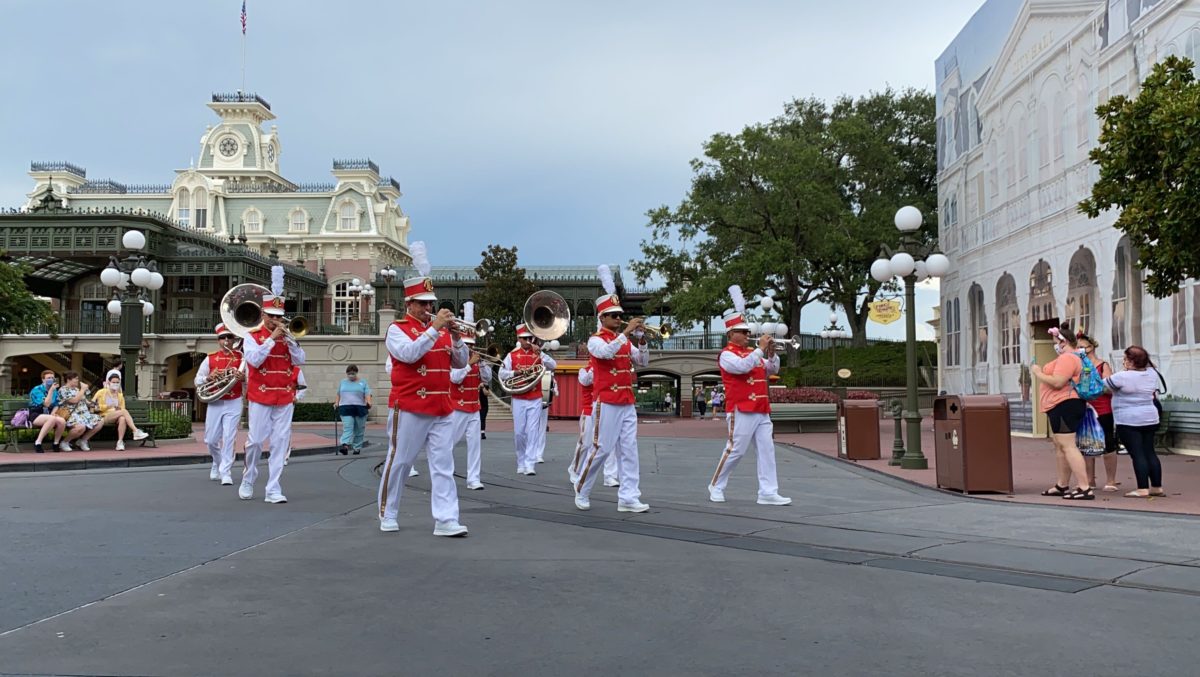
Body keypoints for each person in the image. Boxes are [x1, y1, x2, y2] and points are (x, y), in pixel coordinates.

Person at [377, 243, 470, 536]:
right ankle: (388, 511)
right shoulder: (397, 329)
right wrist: (435, 329)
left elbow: (460, 363)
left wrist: (456, 339)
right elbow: (409, 355)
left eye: (430, 303)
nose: (428, 308)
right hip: (409, 407)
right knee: (401, 461)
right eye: (422, 303)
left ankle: (446, 519)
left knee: (443, 465)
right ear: (410, 304)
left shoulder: (441, 332)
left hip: (442, 408)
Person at [574, 264, 650, 512]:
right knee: (601, 449)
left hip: (627, 401)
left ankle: (628, 497)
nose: (619, 319)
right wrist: (626, 333)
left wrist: (641, 340)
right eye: (614, 316)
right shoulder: (595, 339)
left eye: (620, 315)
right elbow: (605, 354)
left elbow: (642, 361)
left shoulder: (624, 341)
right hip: (606, 401)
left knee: (629, 451)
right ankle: (582, 489)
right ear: (602, 318)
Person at [707, 287, 792, 506]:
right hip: (741, 408)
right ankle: (716, 485)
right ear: (730, 334)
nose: (747, 335)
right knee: (735, 450)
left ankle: (768, 491)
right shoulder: (727, 355)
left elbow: (771, 369)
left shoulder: (752, 353)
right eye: (742, 331)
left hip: (761, 408)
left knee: (767, 450)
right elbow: (743, 368)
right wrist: (761, 350)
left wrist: (772, 353)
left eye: (747, 331)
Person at [240, 271, 305, 504]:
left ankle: (273, 487)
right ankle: (249, 477)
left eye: (278, 316)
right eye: (270, 316)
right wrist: (271, 338)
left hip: (284, 395)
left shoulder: (287, 336)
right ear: (262, 314)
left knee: (280, 442)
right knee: (256, 440)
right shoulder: (252, 336)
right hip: (261, 394)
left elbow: (300, 361)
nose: (274, 320)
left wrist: (290, 340)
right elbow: (255, 360)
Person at [1031, 324, 1092, 500]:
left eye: (1056, 342)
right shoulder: (1072, 358)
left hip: (1064, 404)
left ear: (1063, 342)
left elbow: (1058, 382)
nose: (1055, 346)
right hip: (1060, 405)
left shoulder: (1068, 358)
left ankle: (1084, 487)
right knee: (1060, 445)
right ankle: (1062, 484)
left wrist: (1037, 372)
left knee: (1068, 445)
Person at [1105, 345, 1165, 498]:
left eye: (1125, 359)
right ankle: (1157, 486)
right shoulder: (1152, 373)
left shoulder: (1122, 377)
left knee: (1137, 454)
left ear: (1131, 362)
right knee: (1149, 451)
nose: (1123, 362)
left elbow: (1102, 385)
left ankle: (1142, 488)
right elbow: (1149, 365)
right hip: (1150, 417)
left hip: (1128, 419)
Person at [499, 324, 556, 475]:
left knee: (532, 431)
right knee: (519, 432)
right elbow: (502, 373)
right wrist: (515, 373)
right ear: (518, 339)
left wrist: (541, 353)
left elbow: (553, 365)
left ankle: (530, 463)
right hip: (518, 397)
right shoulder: (512, 355)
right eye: (524, 338)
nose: (527, 341)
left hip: (535, 397)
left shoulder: (538, 354)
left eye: (529, 338)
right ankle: (521, 461)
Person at [195, 323, 247, 484]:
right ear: (218, 340)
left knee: (229, 437)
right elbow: (197, 380)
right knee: (210, 440)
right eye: (222, 337)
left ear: (234, 339)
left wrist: (243, 378)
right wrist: (208, 377)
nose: (226, 340)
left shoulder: (242, 357)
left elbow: (252, 381)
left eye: (229, 337)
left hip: (234, 400)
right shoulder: (210, 358)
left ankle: (226, 472)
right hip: (215, 401)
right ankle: (217, 463)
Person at [448, 302, 491, 490]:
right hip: (457, 406)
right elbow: (454, 379)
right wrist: (468, 364)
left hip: (474, 407)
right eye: (467, 345)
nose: (470, 349)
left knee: (475, 446)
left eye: (472, 345)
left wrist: (481, 364)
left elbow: (488, 378)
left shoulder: (475, 359)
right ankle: (444, 473)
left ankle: (473, 478)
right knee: (449, 444)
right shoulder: (453, 358)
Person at [1075, 332, 1119, 491]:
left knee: (1108, 443)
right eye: (1077, 347)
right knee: (1087, 445)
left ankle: (1111, 480)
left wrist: (1095, 385)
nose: (1079, 350)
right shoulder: (1079, 366)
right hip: (1085, 409)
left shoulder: (1102, 365)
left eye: (1081, 347)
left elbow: (1109, 388)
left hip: (1102, 409)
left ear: (1091, 347)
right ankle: (1089, 479)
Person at [91, 373, 150, 451]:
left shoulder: (120, 395)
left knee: (122, 418)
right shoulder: (101, 392)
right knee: (123, 412)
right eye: (113, 382)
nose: (115, 384)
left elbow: (122, 408)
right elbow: (93, 405)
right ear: (108, 382)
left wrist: (117, 409)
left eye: (117, 382)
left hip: (117, 415)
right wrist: (108, 406)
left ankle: (120, 442)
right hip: (104, 415)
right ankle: (135, 431)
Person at [57, 371, 104, 451]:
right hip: (72, 415)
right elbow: (74, 400)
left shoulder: (77, 389)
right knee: (81, 427)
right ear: (68, 380)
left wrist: (93, 404)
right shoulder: (63, 390)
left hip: (85, 414)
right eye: (76, 379)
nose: (78, 381)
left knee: (100, 421)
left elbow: (86, 401)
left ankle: (83, 440)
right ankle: (65, 442)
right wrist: (82, 389)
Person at [335, 364, 372, 455]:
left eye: (353, 373)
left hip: (360, 408)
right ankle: (345, 445)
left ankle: (357, 447)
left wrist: (369, 402)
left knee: (359, 429)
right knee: (348, 427)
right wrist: (336, 403)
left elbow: (367, 394)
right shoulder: (343, 382)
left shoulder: (363, 382)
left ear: (356, 373)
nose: (351, 375)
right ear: (346, 373)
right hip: (345, 407)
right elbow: (338, 394)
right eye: (349, 373)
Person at [28, 370, 67, 453]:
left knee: (62, 421)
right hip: (36, 414)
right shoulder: (36, 390)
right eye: (48, 378)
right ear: (43, 380)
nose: (51, 379)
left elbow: (57, 404)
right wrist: (50, 391)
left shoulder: (55, 391)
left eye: (52, 378)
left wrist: (53, 412)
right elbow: (46, 404)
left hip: (49, 414)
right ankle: (38, 442)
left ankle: (56, 443)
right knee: (51, 419)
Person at [568, 365, 595, 485]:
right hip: (589, 412)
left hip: (604, 411)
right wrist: (595, 368)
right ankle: (574, 470)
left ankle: (610, 475)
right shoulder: (584, 370)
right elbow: (585, 381)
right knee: (586, 443)